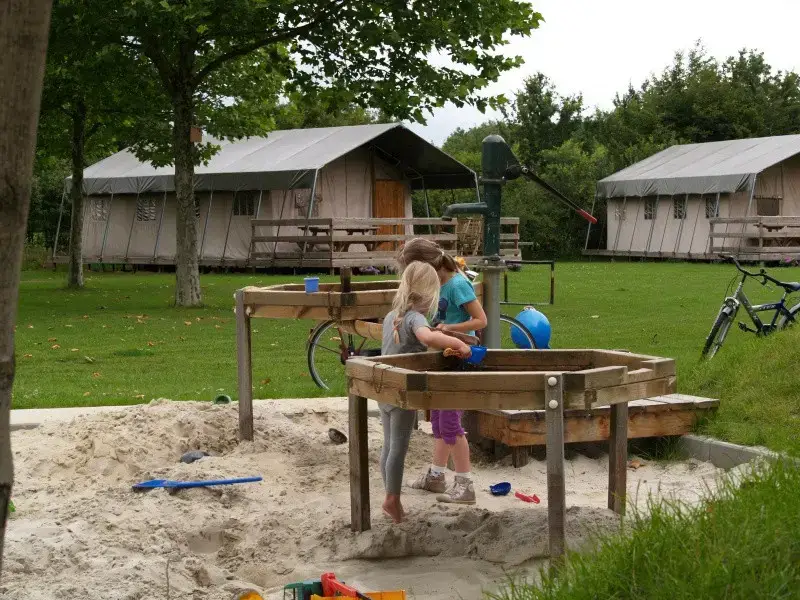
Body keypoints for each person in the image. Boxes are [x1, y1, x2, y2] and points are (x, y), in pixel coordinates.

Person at [397, 239, 488, 505]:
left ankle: (465, 485)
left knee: (450, 423)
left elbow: (481, 320)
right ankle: (436, 476)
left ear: (427, 266)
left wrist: (450, 329)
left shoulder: (457, 285)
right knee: (438, 420)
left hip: (459, 361)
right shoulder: (435, 285)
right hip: (442, 360)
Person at [380, 260, 471, 523]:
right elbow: (428, 338)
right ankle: (392, 499)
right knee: (398, 448)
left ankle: (390, 495)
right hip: (403, 392)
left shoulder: (392, 316)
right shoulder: (415, 317)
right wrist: (458, 344)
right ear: (430, 293)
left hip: (385, 389)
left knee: (388, 446)